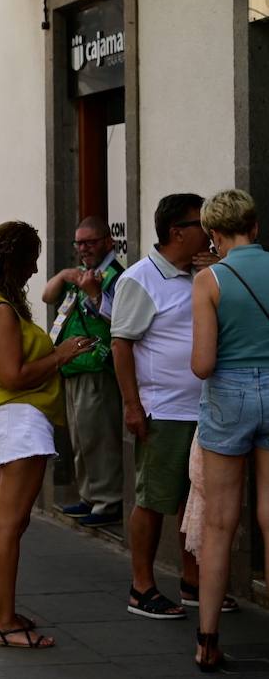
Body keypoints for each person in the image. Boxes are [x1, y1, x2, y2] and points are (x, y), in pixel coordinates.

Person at [0, 221, 91, 650]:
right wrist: (60, 355)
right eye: (31, 259)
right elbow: (13, 376)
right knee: (10, 526)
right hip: (20, 420)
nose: (35, 269)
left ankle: (4, 612)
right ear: (12, 261)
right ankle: (3, 624)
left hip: (10, 420)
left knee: (0, 522)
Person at [111, 193, 215, 620]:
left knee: (196, 501)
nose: (209, 234)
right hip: (164, 410)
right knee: (154, 500)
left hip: (203, 409)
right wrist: (132, 405)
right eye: (202, 226)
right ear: (177, 232)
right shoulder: (140, 279)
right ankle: (142, 587)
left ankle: (193, 582)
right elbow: (121, 343)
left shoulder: (201, 273)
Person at [189, 189, 265, 669]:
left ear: (214, 235)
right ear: (254, 227)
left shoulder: (209, 279)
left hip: (229, 396)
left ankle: (208, 641)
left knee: (219, 522)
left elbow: (203, 364)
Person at [41, 216, 125, 527]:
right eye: (79, 243)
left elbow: (121, 318)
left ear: (107, 242)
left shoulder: (117, 275)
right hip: (73, 365)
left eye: (90, 242)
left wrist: (93, 293)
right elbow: (48, 296)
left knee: (98, 436)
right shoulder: (81, 273)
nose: (84, 248)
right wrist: (65, 274)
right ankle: (89, 496)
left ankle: (108, 501)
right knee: (81, 437)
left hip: (97, 365)